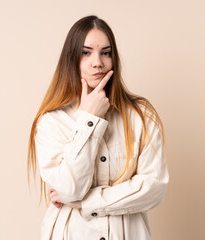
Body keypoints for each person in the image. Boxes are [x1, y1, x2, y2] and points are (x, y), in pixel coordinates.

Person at [27, 15, 169, 240]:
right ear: (71, 59)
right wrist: (88, 119)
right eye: (86, 52)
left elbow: (153, 189)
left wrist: (87, 202)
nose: (98, 62)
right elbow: (69, 190)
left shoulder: (141, 116)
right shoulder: (51, 122)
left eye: (105, 52)